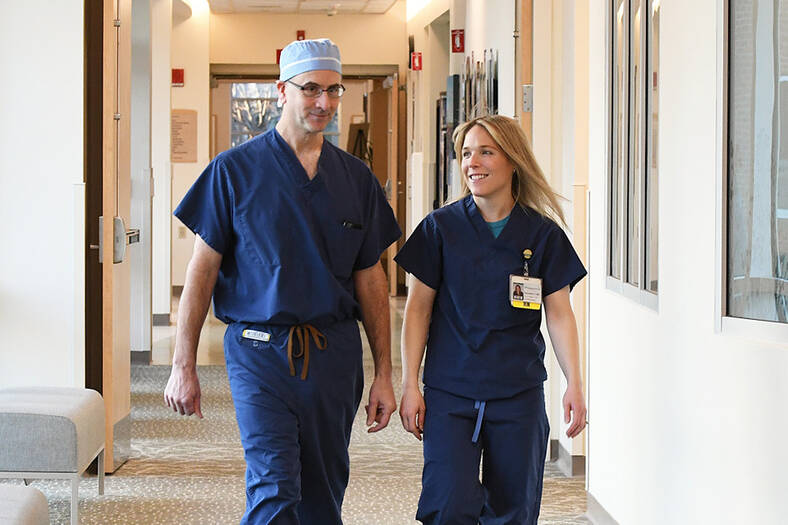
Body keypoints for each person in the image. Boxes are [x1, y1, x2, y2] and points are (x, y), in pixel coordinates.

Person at [163, 38, 401, 524]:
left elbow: (371, 279)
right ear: (281, 91)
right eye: (310, 88)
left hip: (333, 355)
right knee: (273, 486)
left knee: (323, 490)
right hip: (258, 351)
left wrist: (384, 372)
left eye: (334, 91)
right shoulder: (233, 172)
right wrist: (182, 363)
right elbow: (201, 271)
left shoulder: (356, 180)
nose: (324, 103)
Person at [395, 115, 587, 525]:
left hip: (517, 393)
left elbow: (559, 313)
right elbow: (417, 311)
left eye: (486, 151)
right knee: (447, 505)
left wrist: (575, 381)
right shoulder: (440, 228)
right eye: (466, 153)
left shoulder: (542, 235)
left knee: (514, 511)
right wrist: (410, 381)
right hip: (452, 393)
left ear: (513, 160)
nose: (473, 162)